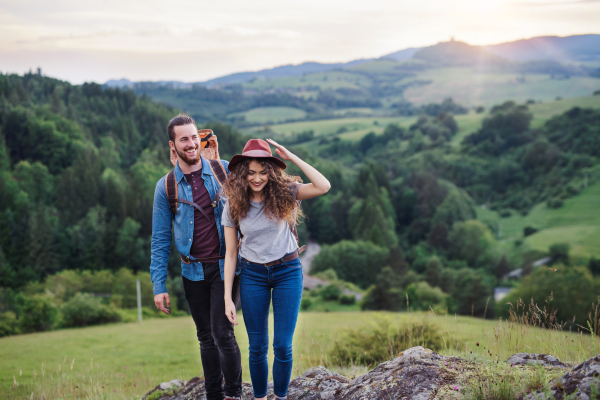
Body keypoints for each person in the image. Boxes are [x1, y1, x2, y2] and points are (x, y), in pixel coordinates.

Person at [222, 138, 331, 400]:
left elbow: (323, 186)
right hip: (252, 275)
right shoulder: (233, 204)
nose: (257, 178)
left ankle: (280, 396)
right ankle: (260, 397)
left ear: (271, 172)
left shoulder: (286, 193)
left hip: (287, 272)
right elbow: (231, 253)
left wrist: (292, 157)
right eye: (251, 173)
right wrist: (228, 297)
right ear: (242, 174)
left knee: (282, 345)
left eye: (263, 172)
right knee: (257, 347)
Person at [150, 114, 243, 400]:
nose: (191, 144)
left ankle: (234, 394)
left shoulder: (224, 172)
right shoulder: (166, 187)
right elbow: (160, 239)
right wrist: (158, 285)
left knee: (222, 333)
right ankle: (214, 395)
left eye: (194, 137)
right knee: (205, 337)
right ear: (173, 145)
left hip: (225, 266)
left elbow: (254, 204)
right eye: (184, 139)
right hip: (192, 272)